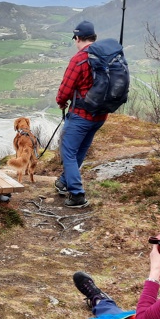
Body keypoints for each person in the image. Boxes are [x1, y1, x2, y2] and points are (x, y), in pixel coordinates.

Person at [55, 20, 105, 208]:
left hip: (82, 115)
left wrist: (61, 102)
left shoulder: (79, 59)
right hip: (100, 115)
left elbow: (65, 89)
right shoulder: (105, 56)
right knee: (80, 150)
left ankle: (76, 194)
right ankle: (64, 182)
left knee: (68, 151)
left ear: (77, 38)